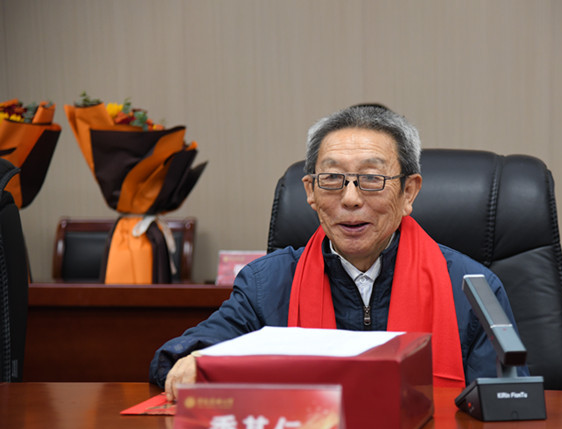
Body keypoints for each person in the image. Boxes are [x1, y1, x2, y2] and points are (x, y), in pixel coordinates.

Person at [149, 104, 527, 401]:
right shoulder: (268, 283)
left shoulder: (471, 287)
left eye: (371, 179)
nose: (350, 199)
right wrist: (198, 359)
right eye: (332, 179)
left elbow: (506, 401)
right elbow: (177, 357)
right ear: (310, 192)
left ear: (408, 192)